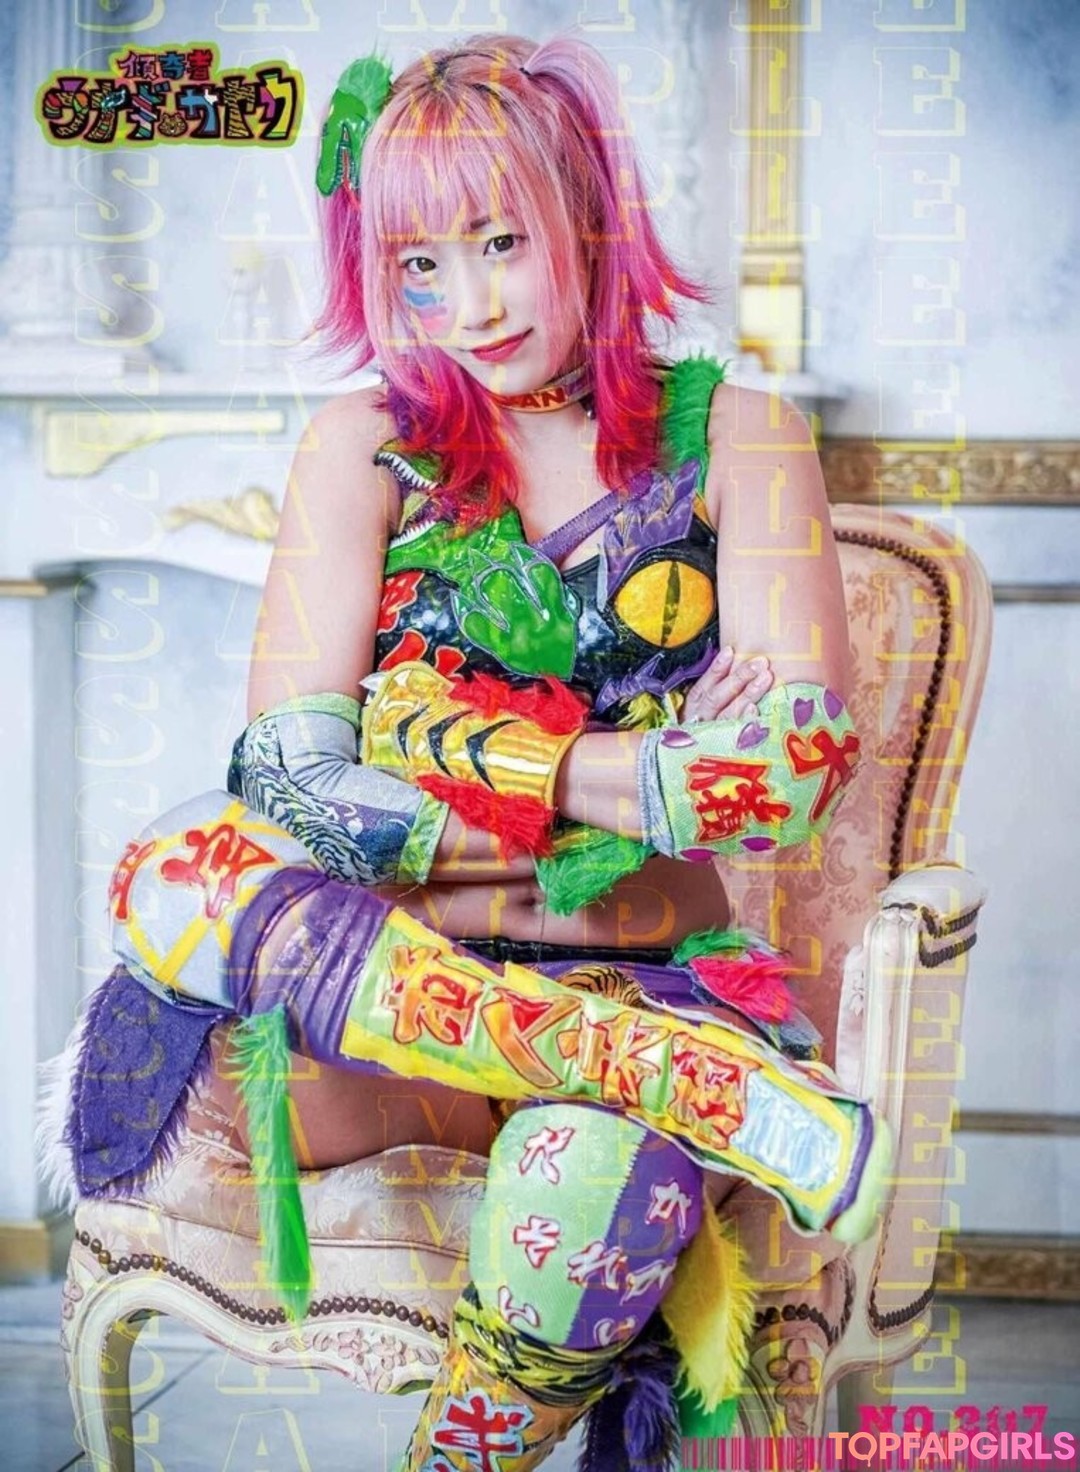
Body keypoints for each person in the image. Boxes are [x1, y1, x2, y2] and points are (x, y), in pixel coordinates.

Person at [45, 33, 881, 1472]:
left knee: (591, 1175)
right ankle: (634, 1068)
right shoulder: (363, 446)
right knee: (173, 877)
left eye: (502, 243)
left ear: (590, 220)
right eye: (419, 265)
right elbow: (289, 780)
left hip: (654, 974)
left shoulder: (744, 439)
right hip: (383, 1020)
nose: (469, 305)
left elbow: (789, 773)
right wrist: (633, 771)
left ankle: (628, 1096)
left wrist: (435, 748)